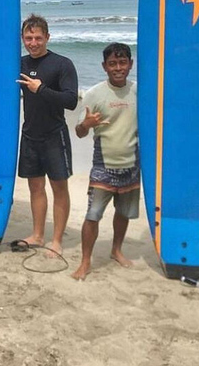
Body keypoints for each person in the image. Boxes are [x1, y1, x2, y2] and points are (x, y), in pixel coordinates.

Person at [71, 43, 139, 280]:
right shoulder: (95, 94)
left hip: (132, 164)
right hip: (103, 165)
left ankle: (116, 250)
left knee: (123, 213)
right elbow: (79, 131)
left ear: (130, 64)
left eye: (122, 63)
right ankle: (85, 262)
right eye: (112, 64)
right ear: (104, 66)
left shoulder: (139, 91)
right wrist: (86, 124)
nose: (118, 68)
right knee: (93, 214)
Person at [16, 14, 78, 255]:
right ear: (22, 38)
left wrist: (40, 89)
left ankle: (57, 241)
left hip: (55, 135)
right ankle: (38, 235)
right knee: (35, 187)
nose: (33, 42)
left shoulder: (62, 64)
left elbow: (71, 100)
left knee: (59, 188)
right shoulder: (19, 64)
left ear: (47, 37)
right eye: (29, 38)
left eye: (38, 38)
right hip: (30, 134)